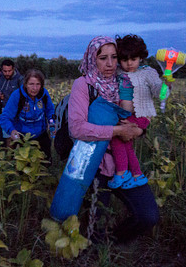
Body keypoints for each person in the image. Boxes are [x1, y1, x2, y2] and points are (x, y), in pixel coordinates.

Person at [68, 35, 159, 243]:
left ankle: (117, 243)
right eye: (102, 58)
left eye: (114, 57)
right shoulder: (83, 85)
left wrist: (140, 131)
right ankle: (98, 251)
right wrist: (117, 131)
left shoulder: (125, 80)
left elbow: (141, 114)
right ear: (93, 58)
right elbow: (76, 128)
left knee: (148, 216)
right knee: (95, 227)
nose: (110, 64)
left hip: (123, 164)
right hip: (94, 165)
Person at [108, 34, 162, 189]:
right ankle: (137, 175)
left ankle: (122, 172)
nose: (129, 63)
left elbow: (158, 91)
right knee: (126, 145)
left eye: (133, 59)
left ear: (141, 57)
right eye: (124, 60)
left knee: (118, 139)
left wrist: (166, 86)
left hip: (140, 116)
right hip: (125, 115)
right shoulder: (118, 71)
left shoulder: (147, 72)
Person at [0, 69, 55, 159]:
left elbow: (50, 110)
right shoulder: (17, 95)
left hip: (41, 135)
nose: (35, 88)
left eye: (38, 84)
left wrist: (52, 122)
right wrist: (12, 131)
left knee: (45, 164)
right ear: (25, 84)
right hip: (22, 137)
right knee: (23, 168)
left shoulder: (44, 94)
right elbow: (5, 117)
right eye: (31, 84)